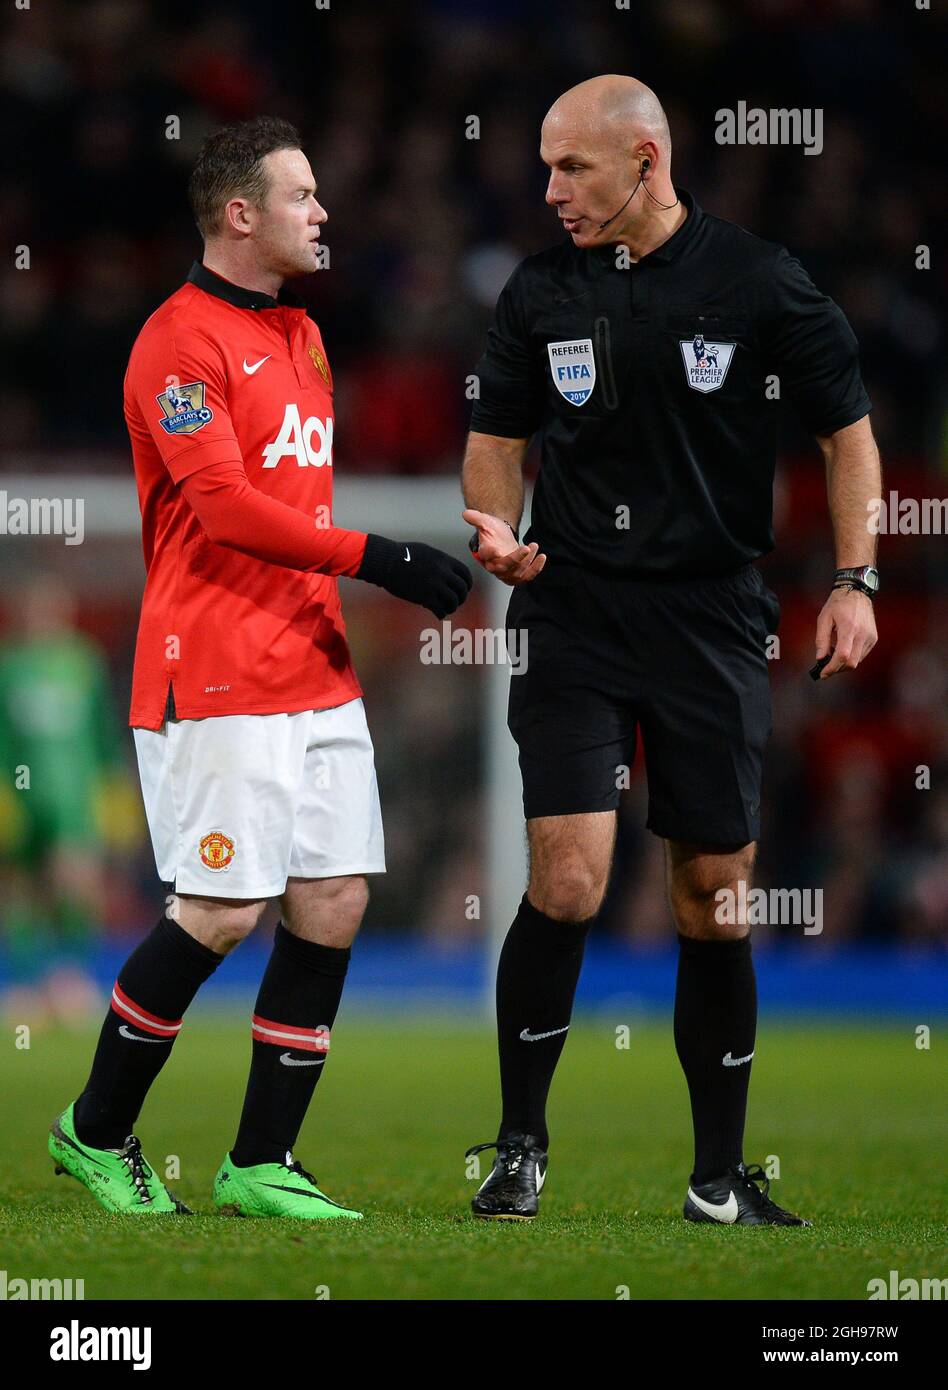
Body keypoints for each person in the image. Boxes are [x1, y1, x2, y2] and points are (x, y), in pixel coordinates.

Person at [462, 76, 879, 1224]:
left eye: (572, 169)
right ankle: (520, 1146)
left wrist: (855, 578)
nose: (550, 192)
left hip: (710, 617)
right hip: (574, 608)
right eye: (544, 168)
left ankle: (717, 1176)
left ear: (646, 159)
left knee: (715, 896)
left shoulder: (758, 279)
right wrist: (496, 528)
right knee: (571, 876)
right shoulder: (538, 292)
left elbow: (849, 433)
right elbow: (494, 440)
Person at [48, 116, 471, 1219]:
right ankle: (94, 1132)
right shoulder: (174, 344)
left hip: (314, 668)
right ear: (241, 213)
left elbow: (295, 505)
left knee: (332, 898)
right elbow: (229, 512)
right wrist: (381, 558)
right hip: (216, 667)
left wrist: (344, 595)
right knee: (223, 910)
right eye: (303, 195)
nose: (323, 213)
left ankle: (259, 1161)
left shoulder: (302, 337)